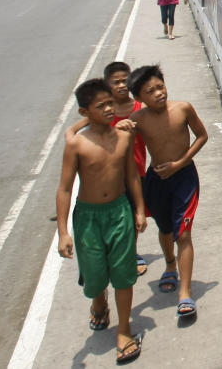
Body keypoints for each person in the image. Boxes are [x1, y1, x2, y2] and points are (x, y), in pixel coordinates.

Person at [57, 79, 146, 364]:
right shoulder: (77, 144)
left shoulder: (122, 135)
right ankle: (98, 301)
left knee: (123, 273)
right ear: (85, 112)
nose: (109, 109)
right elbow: (65, 189)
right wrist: (63, 233)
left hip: (119, 211)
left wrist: (140, 209)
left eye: (110, 103)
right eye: (101, 106)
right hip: (88, 217)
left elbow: (131, 174)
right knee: (94, 278)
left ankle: (124, 330)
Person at [128, 65, 208, 319]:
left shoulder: (183, 108)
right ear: (139, 99)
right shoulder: (138, 120)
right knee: (165, 229)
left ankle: (185, 293)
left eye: (160, 87)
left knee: (183, 233)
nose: (158, 94)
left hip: (184, 178)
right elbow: (124, 148)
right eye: (149, 92)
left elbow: (202, 136)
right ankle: (170, 265)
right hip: (157, 179)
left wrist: (180, 163)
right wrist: (122, 130)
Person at [64, 62, 150, 276]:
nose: (122, 86)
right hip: (110, 179)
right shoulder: (102, 114)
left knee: (131, 218)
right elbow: (73, 132)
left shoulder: (140, 108)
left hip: (136, 173)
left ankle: (131, 252)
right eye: (116, 82)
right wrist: (71, 137)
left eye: (125, 81)